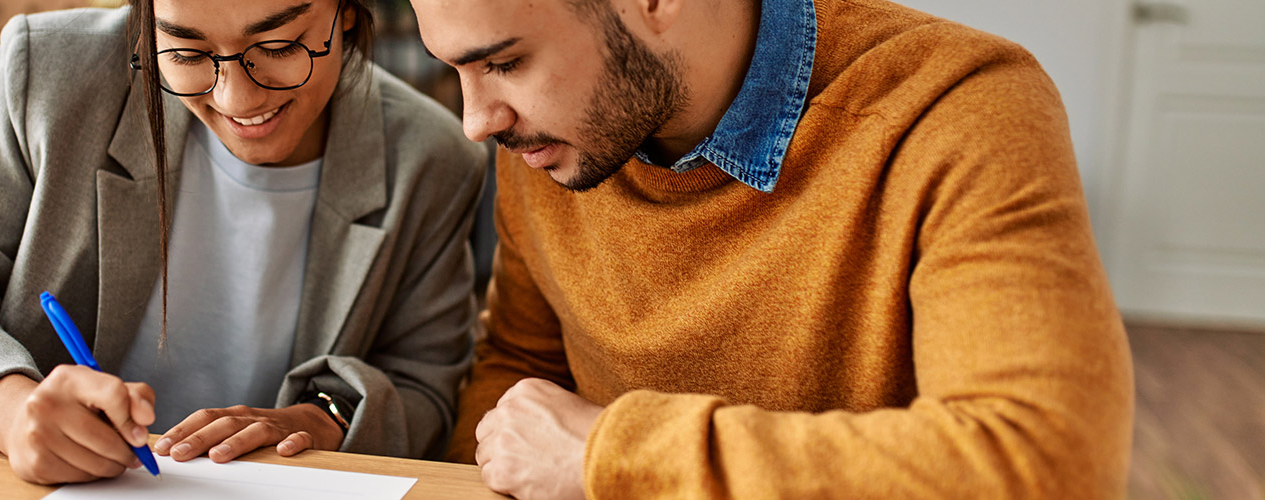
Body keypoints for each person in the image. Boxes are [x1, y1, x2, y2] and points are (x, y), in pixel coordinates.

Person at [410, 0, 1133, 498]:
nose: (477, 122)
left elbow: (1047, 465)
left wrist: (616, 459)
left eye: (503, 63)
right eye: (458, 70)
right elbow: (519, 374)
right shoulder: (546, 137)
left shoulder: (956, 111)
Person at [0, 0, 486, 485]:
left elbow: (424, 387)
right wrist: (12, 409)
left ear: (346, 13)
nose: (239, 98)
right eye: (184, 53)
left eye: (282, 43)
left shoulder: (429, 159)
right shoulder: (46, 77)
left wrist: (322, 417)